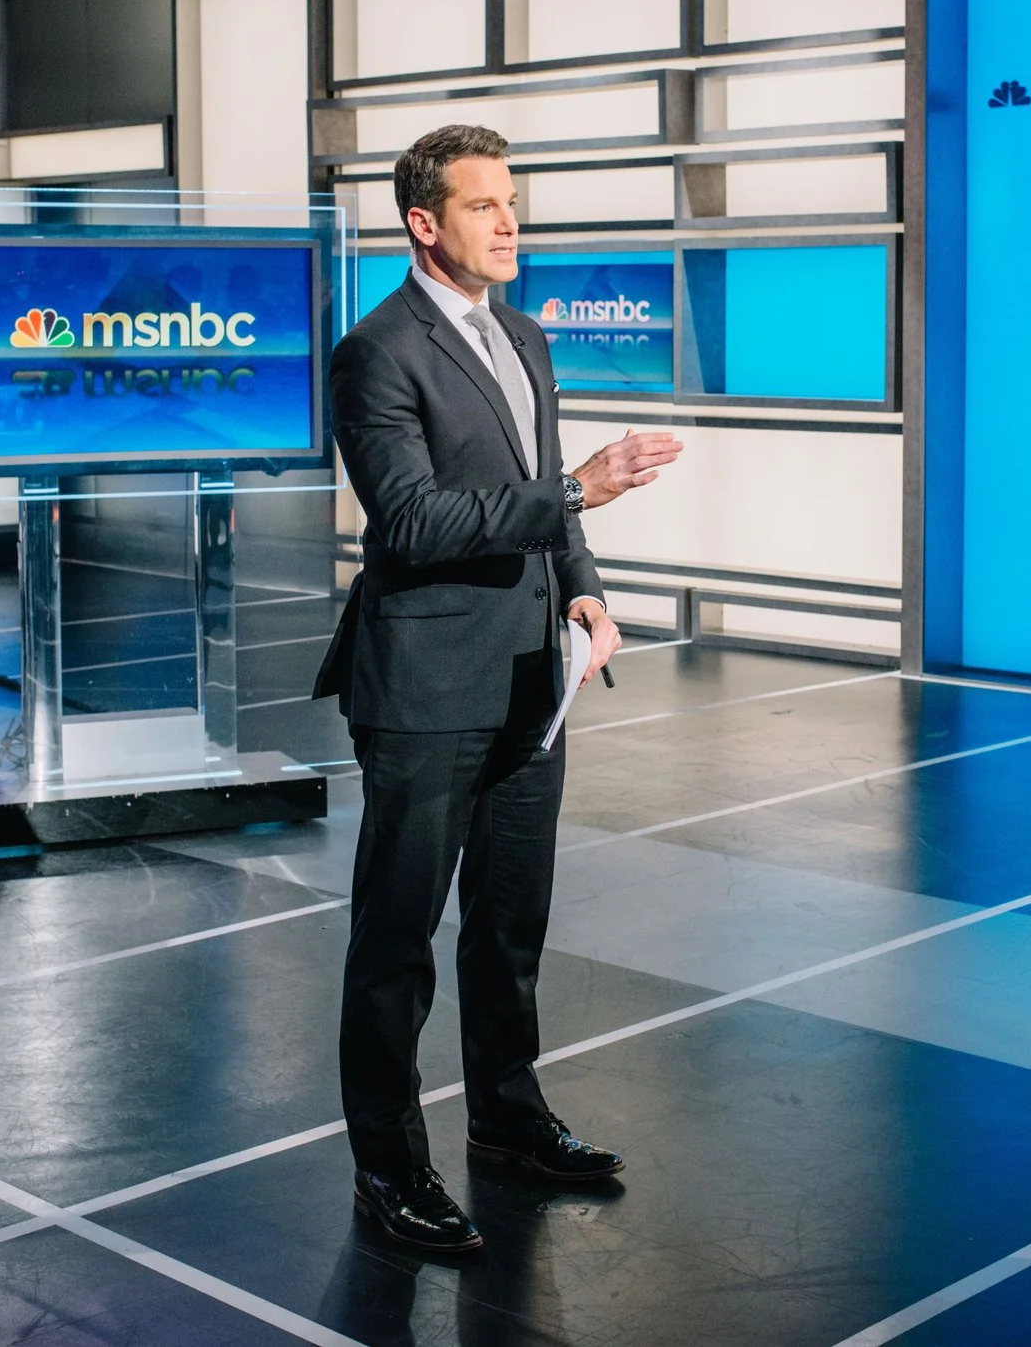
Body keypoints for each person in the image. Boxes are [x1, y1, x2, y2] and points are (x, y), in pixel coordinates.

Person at [312, 123, 684, 1255]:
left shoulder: (523, 334)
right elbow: (413, 522)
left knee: (510, 928)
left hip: (535, 680)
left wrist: (582, 588)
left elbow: (542, 500)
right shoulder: (375, 352)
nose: (509, 223)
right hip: (425, 686)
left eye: (512, 202)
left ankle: (508, 1123)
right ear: (424, 224)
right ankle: (389, 1170)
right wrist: (576, 494)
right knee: (398, 941)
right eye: (485, 206)